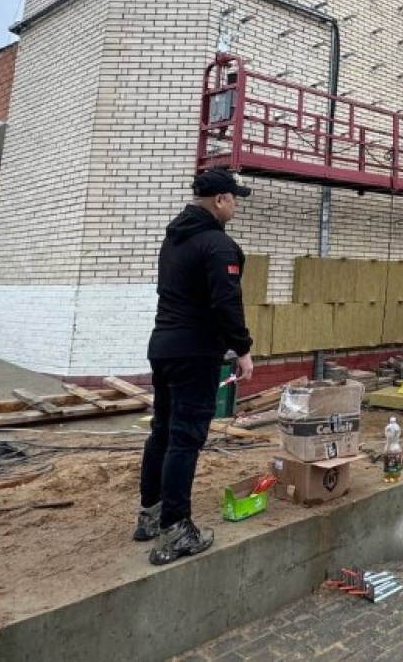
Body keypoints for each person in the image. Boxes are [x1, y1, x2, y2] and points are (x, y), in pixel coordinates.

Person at [134, 167, 255, 565]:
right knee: (185, 438)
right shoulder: (216, 245)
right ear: (220, 200)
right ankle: (175, 530)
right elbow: (225, 302)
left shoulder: (175, 240)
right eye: (234, 197)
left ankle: (150, 515)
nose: (236, 204)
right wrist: (243, 349)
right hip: (195, 352)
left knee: (163, 433)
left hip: (164, 346)